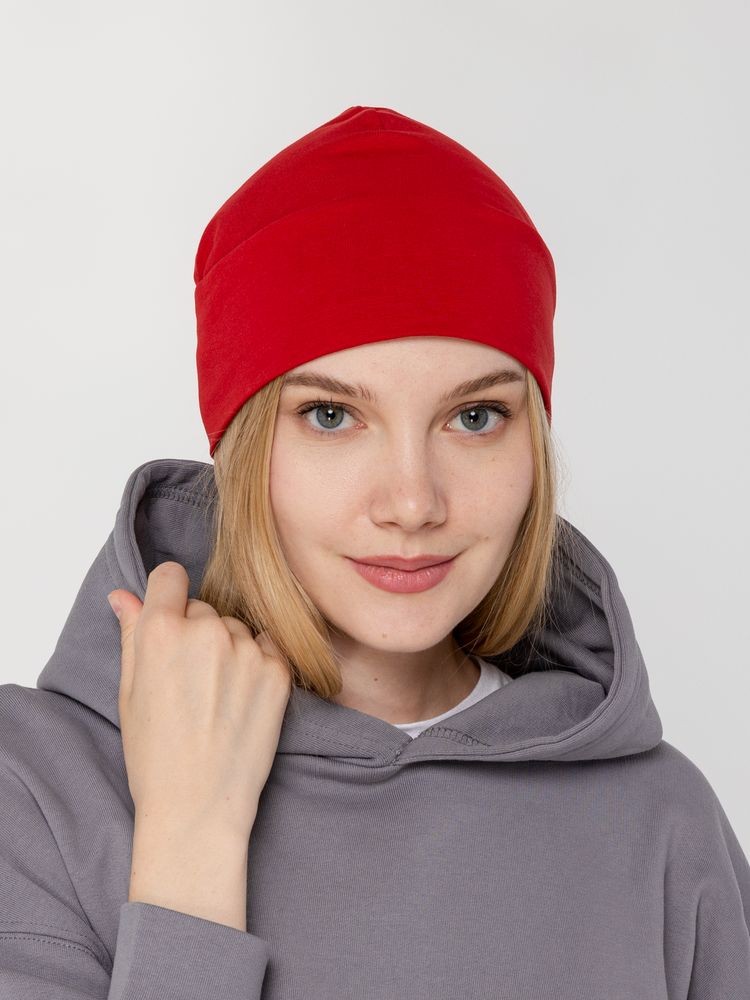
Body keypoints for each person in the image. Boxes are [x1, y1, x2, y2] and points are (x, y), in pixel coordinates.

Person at [1, 105, 748, 999]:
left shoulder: (662, 823)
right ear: (242, 447)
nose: (412, 503)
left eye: (476, 416)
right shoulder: (38, 790)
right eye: (331, 415)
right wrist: (189, 844)